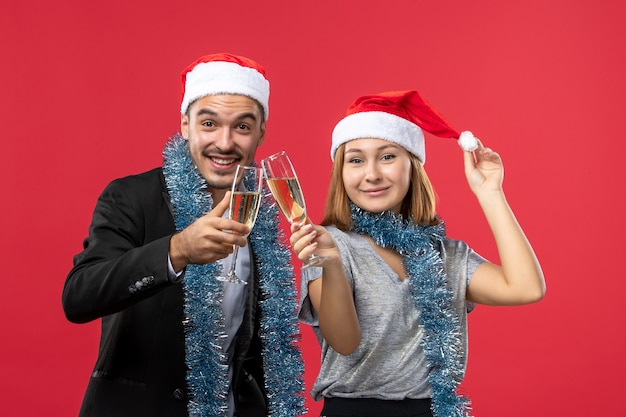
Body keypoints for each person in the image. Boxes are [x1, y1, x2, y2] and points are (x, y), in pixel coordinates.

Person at [62, 53, 305, 417]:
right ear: (185, 125)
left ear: (261, 132)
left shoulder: (259, 217)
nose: (224, 143)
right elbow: (78, 297)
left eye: (242, 126)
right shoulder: (132, 197)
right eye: (209, 123)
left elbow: (253, 349)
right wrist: (176, 252)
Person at [289, 90, 546, 417]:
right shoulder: (327, 244)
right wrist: (331, 263)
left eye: (387, 157)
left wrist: (490, 192)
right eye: (356, 159)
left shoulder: (447, 256)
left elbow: (526, 288)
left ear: (413, 166)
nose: (371, 174)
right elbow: (343, 342)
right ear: (341, 173)